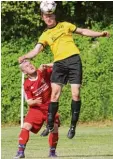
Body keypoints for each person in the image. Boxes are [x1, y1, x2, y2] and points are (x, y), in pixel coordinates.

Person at [18, 1, 110, 139]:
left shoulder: (65, 25)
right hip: (59, 64)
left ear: (54, 15)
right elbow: (36, 50)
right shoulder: (44, 35)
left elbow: (83, 31)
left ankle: (73, 126)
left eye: (50, 15)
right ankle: (49, 124)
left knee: (76, 94)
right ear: (43, 18)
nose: (48, 18)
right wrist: (25, 56)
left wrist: (100, 34)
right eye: (45, 16)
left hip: (74, 60)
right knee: (54, 95)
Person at [14, 60, 60, 158]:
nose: (30, 66)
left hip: (50, 107)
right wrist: (34, 102)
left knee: (54, 128)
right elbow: (29, 101)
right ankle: (20, 152)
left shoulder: (43, 72)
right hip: (36, 109)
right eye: (26, 66)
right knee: (26, 126)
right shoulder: (26, 84)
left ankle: (52, 153)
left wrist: (46, 64)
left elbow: (58, 64)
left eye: (30, 64)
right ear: (24, 72)